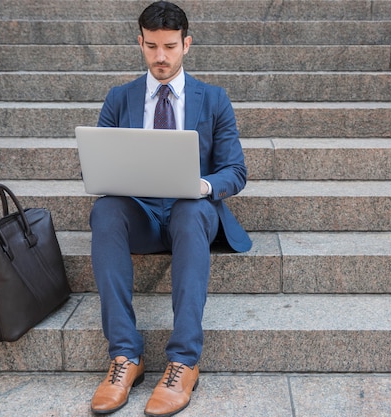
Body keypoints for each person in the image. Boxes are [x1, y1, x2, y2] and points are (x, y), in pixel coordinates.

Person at [88, 2, 252, 415]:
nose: (161, 57)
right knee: (105, 211)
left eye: (170, 47)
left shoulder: (214, 100)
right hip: (140, 215)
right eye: (152, 47)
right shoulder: (119, 98)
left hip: (189, 214)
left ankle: (183, 361)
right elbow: (102, 162)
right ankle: (125, 356)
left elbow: (235, 171)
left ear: (187, 44)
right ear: (140, 43)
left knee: (192, 210)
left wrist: (203, 185)